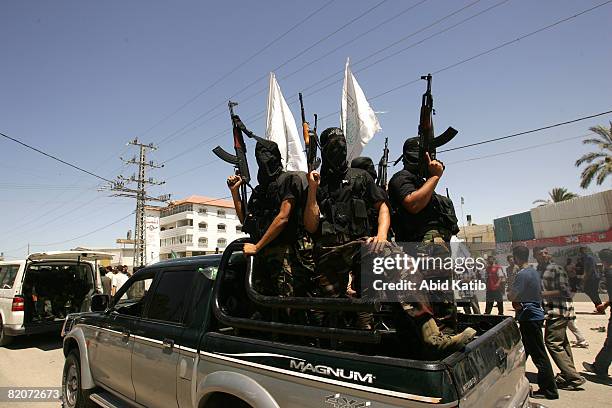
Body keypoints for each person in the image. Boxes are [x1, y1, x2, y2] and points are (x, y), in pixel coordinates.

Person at [304, 128, 389, 330]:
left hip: (361, 246)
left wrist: (382, 235)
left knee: (372, 294)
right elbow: (311, 225)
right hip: (329, 251)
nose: (339, 151)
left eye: (342, 145)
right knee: (325, 310)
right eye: (333, 147)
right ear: (323, 151)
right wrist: (313, 191)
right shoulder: (316, 182)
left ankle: (367, 330)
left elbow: (383, 206)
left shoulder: (360, 177)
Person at [227, 139, 313, 322]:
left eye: (268, 155)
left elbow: (283, 217)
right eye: (260, 156)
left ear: (278, 157)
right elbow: (247, 221)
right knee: (265, 308)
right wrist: (235, 193)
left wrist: (257, 246)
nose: (265, 160)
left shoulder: (289, 180)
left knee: (290, 311)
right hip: (264, 258)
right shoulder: (260, 190)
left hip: (287, 255)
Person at [388, 137, 460, 330]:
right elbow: (412, 203)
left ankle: (444, 340)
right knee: (432, 308)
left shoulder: (424, 183)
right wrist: (435, 177)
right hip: (419, 251)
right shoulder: (401, 178)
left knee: (442, 305)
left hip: (434, 255)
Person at [508, 245, 558, 400]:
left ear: (516, 258)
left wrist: (511, 292)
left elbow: (512, 296)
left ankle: (549, 390)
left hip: (529, 317)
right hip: (532, 315)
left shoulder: (522, 275)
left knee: (539, 355)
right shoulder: (534, 272)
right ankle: (515, 379)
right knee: (526, 351)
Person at [535, 247, 586, 390]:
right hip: (550, 311)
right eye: (540, 253)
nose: (543, 255)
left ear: (549, 254)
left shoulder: (556, 269)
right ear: (535, 256)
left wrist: (543, 294)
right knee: (562, 344)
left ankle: (574, 378)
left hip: (558, 311)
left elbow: (565, 292)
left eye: (545, 253)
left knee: (552, 343)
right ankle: (567, 373)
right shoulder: (540, 270)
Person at [583, 248, 612, 378]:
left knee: (610, 342)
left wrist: (604, 305)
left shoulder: (609, 273)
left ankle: (599, 367)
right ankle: (600, 366)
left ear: (602, 260)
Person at [581, 246, 602, 311]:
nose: (582, 252)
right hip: (590, 277)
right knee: (588, 291)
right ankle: (599, 307)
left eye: (583, 251)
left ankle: (600, 308)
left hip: (593, 277)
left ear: (586, 250)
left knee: (593, 292)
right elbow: (586, 269)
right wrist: (584, 276)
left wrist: (586, 277)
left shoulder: (589, 258)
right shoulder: (585, 258)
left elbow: (591, 269)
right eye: (581, 251)